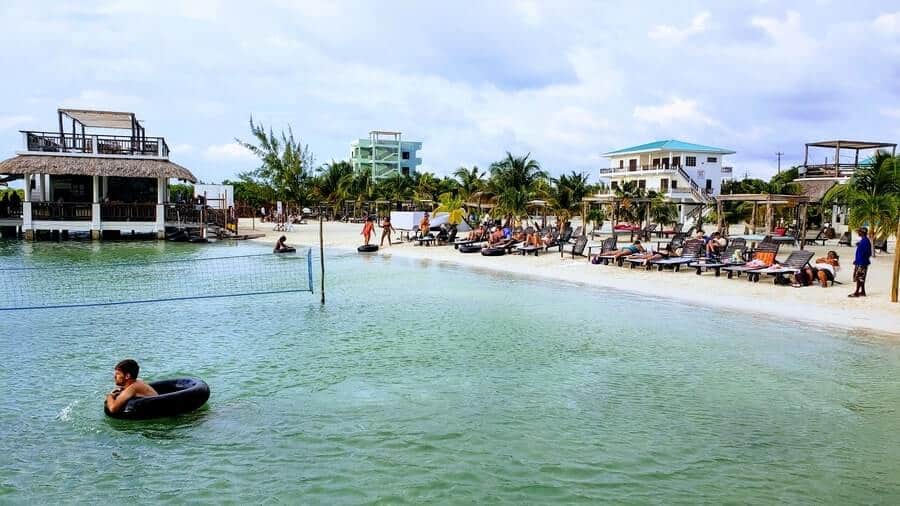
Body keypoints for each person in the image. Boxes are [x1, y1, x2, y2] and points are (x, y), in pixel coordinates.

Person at [849, 227, 872, 297]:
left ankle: (856, 292)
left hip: (862, 262)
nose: (858, 233)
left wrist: (860, 261)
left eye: (859, 232)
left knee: (859, 277)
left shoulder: (865, 241)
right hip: (860, 261)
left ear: (862, 233)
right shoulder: (864, 240)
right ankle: (862, 291)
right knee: (861, 278)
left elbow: (867, 253)